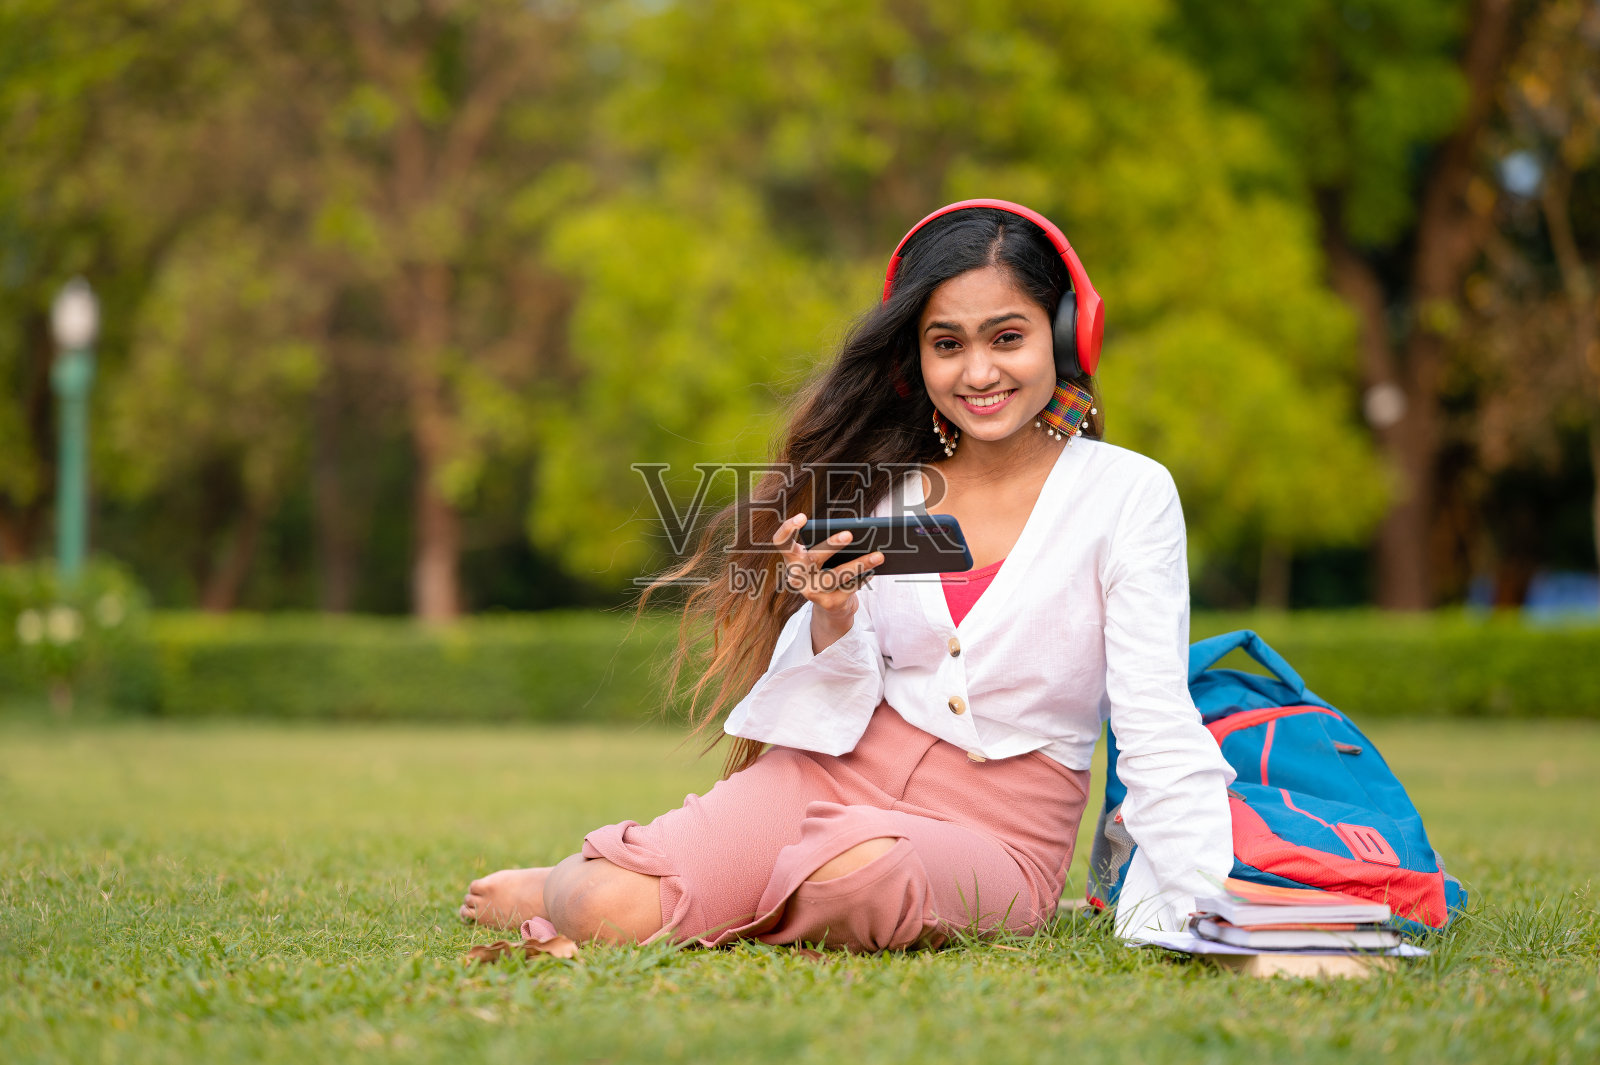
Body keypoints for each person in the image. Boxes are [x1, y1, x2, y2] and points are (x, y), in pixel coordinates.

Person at [459, 199, 1238, 950]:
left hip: (1001, 827)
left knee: (858, 876)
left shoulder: (1129, 493)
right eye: (947, 343)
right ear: (918, 355)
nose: (977, 371)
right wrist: (830, 614)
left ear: (1066, 335)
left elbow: (1154, 718)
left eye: (1007, 337)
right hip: (831, 771)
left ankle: (738, 893)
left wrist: (1203, 899)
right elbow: (834, 695)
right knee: (600, 903)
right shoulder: (884, 489)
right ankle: (562, 884)